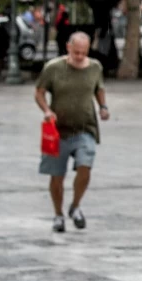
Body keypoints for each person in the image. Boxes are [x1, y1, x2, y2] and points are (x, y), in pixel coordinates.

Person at [34, 32, 109, 233]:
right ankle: (58, 214)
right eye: (76, 52)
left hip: (86, 128)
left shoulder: (95, 67)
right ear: (68, 48)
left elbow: (99, 88)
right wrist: (47, 110)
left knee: (85, 166)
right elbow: (39, 92)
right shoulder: (53, 68)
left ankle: (75, 206)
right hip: (58, 130)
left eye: (83, 53)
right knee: (57, 175)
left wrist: (103, 107)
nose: (79, 56)